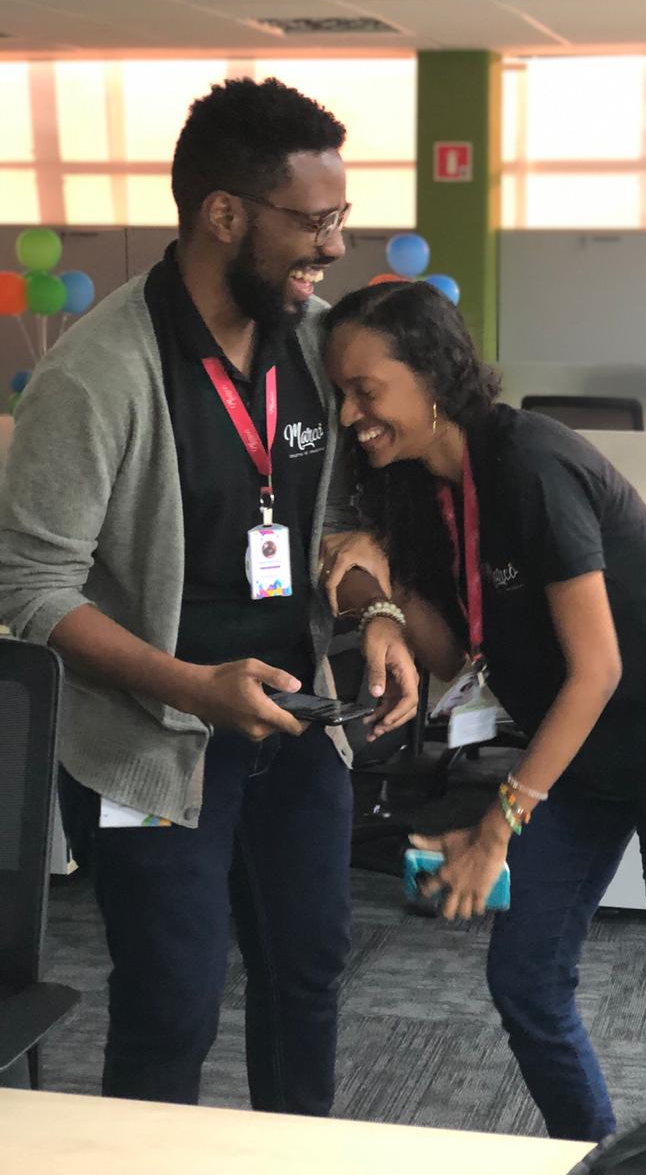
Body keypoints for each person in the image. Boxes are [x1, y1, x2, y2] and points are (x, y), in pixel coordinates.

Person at [0, 78, 418, 1113]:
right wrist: (192, 685)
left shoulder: (316, 344)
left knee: (307, 978)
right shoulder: (97, 376)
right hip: (149, 741)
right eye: (314, 222)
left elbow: (338, 521)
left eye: (341, 217)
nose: (334, 246)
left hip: (297, 726)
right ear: (225, 213)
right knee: (171, 1004)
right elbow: (31, 586)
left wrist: (374, 611)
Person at [322, 280, 646, 1142]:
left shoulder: (530, 461)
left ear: (433, 376)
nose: (350, 416)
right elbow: (452, 657)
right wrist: (381, 580)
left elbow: (597, 669)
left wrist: (498, 826)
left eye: (365, 391)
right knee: (526, 983)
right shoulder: (418, 489)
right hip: (584, 752)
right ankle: (595, 1154)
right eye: (341, 394)